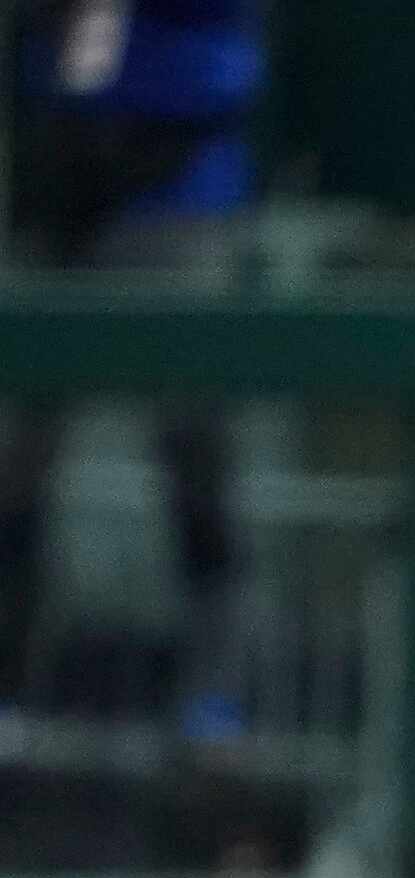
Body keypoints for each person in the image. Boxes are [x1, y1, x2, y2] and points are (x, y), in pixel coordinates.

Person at [4, 0, 263, 722]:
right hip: (62, 186)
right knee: (17, 458)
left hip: (178, 188)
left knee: (195, 452)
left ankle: (214, 710)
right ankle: (9, 684)